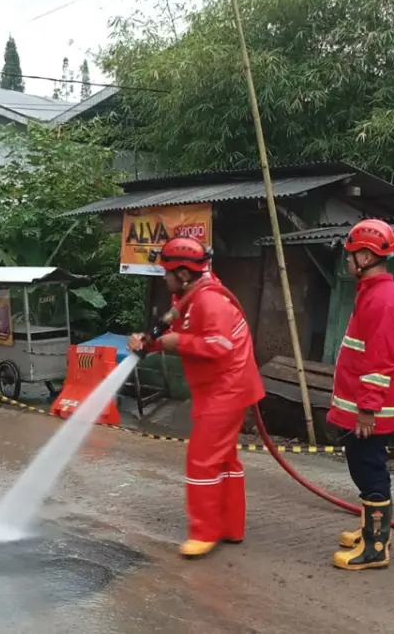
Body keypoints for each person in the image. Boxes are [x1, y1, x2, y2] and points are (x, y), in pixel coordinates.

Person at [127, 237, 265, 559]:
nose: (164, 277)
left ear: (185, 274)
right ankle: (231, 527)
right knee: (225, 460)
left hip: (225, 390)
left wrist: (177, 343)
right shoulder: (191, 295)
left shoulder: (209, 301)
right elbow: (180, 335)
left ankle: (204, 533)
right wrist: (150, 343)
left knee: (202, 461)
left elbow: (218, 346)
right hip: (226, 387)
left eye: (167, 272)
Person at [327, 219, 394, 571]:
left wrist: (366, 410)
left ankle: (376, 548)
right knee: (363, 468)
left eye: (350, 255)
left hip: (370, 413)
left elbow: (379, 362)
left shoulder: (383, 301)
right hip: (366, 408)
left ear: (365, 255)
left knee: (370, 471)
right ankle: (370, 531)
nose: (347, 261)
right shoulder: (372, 292)